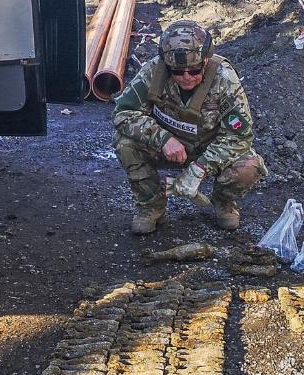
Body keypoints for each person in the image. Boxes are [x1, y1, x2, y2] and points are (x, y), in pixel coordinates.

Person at [112, 20, 267, 234]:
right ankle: (151, 206)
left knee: (249, 165)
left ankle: (223, 202)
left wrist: (200, 167)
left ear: (205, 61)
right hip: (168, 146)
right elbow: (123, 112)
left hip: (208, 148)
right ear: (167, 66)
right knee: (125, 144)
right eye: (177, 71)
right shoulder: (153, 72)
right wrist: (162, 139)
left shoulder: (224, 79)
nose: (186, 77)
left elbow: (239, 137)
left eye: (194, 71)